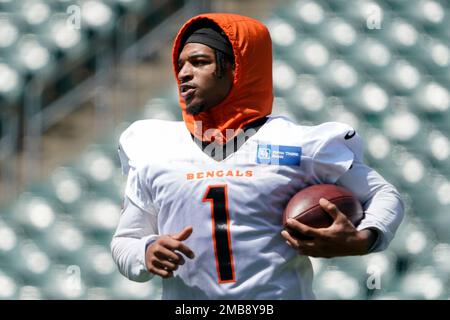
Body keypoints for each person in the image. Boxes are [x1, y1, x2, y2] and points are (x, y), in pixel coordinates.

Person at [111, 13, 404, 299]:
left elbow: (383, 195)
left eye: (199, 62)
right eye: (181, 65)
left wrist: (362, 239)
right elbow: (126, 241)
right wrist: (146, 251)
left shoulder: (301, 144)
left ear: (236, 68)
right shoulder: (155, 146)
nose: (184, 73)